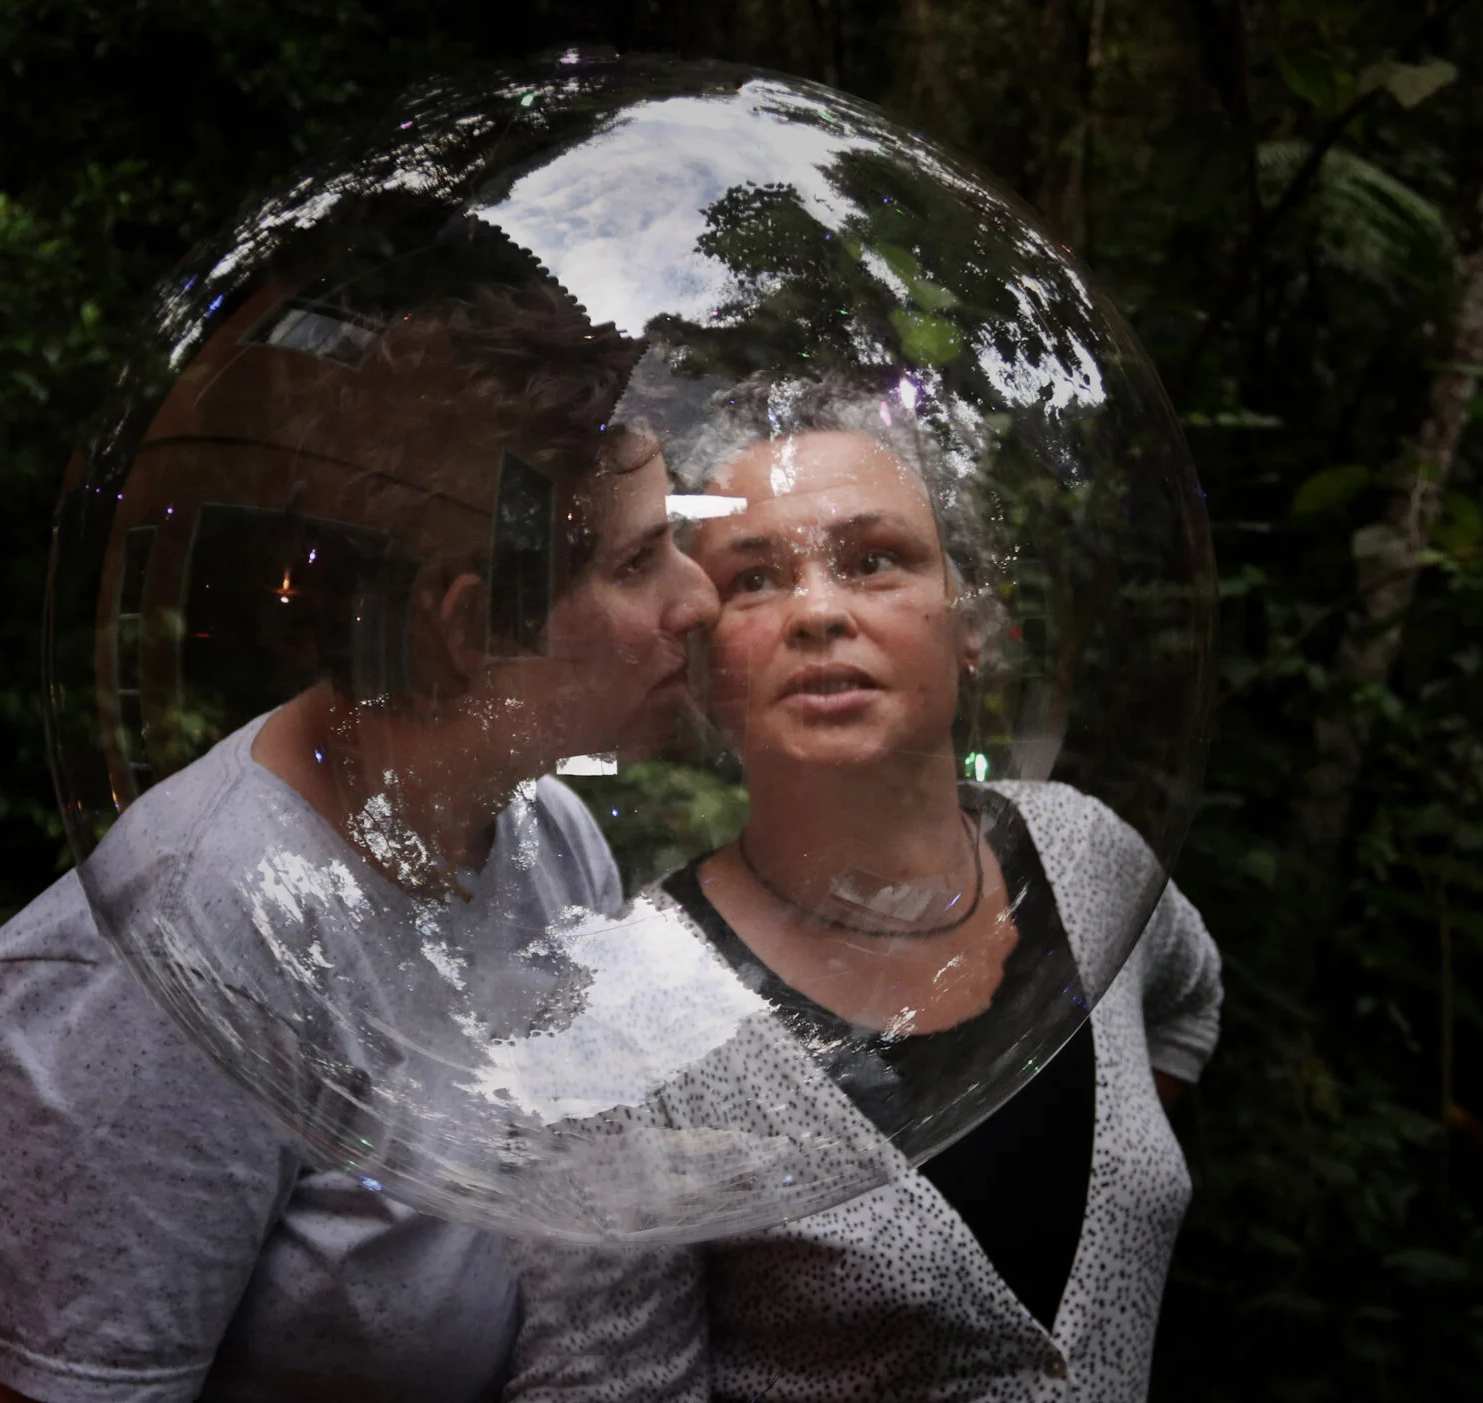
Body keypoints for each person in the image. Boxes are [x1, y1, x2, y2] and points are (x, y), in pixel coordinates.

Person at [0, 261, 719, 1403]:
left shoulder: (551, 843)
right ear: (471, 628)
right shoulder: (173, 956)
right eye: (638, 561)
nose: (699, 599)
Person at [505, 376, 1222, 1401]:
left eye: (874, 559)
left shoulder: (1086, 849)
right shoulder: (618, 1021)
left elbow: (1190, 999)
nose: (818, 612)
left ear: (970, 622)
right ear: (702, 666)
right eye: (754, 579)